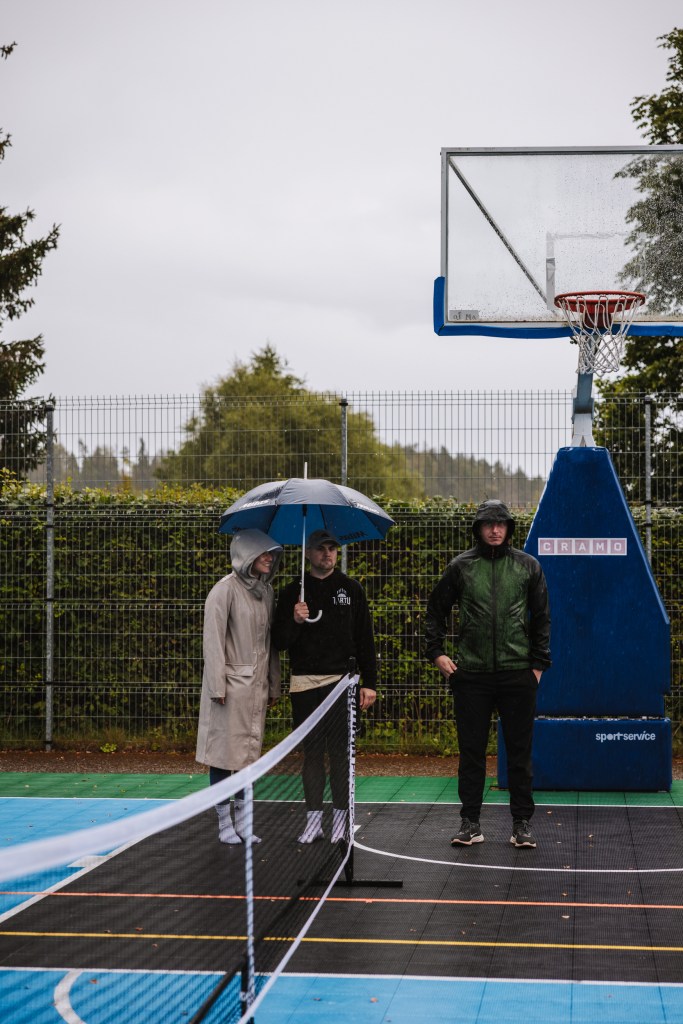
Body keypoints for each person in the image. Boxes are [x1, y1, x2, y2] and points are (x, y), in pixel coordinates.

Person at [424, 499, 551, 849]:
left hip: (518, 674)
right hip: (472, 676)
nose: (495, 530)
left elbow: (542, 618)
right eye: (488, 524)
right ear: (478, 529)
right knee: (471, 753)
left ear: (509, 528)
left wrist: (537, 666)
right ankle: (470, 823)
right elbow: (435, 611)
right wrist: (437, 653)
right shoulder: (461, 567)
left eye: (501, 524)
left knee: (520, 753)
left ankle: (521, 824)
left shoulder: (528, 566)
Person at [272, 529, 377, 844]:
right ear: (307, 552)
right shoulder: (292, 592)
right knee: (312, 755)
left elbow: (365, 639)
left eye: (332, 548)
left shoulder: (351, 589)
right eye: (320, 548)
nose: (327, 553)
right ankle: (313, 822)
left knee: (341, 755)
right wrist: (295, 620)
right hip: (304, 685)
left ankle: (341, 823)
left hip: (341, 685)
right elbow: (279, 642)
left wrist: (369, 683)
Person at [196, 528, 283, 845]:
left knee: (248, 758)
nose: (270, 558)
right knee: (223, 757)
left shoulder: (266, 591)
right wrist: (217, 687)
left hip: (256, 690)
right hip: (229, 691)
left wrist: (274, 683)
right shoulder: (224, 590)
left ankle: (244, 824)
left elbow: (270, 644)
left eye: (272, 553)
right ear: (247, 555)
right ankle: (224, 825)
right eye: (263, 552)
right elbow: (213, 642)